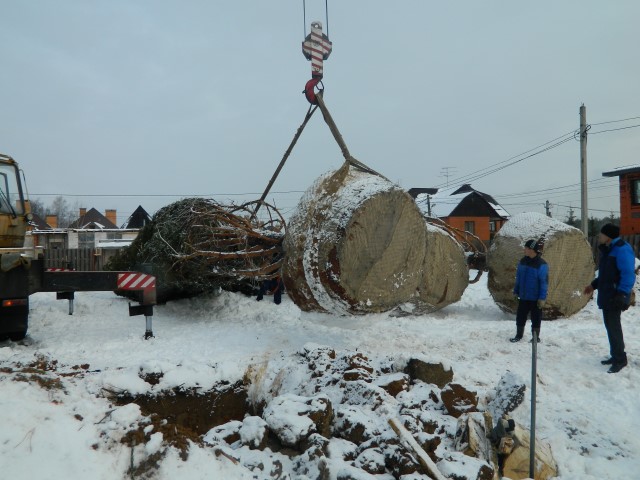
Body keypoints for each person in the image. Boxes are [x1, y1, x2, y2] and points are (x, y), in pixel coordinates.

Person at [583, 223, 635, 373]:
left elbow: (628, 274)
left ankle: (620, 359)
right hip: (607, 294)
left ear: (608, 236)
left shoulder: (622, 249)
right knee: (610, 326)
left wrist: (622, 294)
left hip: (616, 295)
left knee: (614, 327)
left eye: (602, 234)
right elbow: (606, 274)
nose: (599, 236)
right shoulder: (609, 249)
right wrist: (593, 285)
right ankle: (615, 355)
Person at [510, 239, 548, 343]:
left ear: (532, 250)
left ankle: (535, 337)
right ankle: (518, 335)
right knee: (520, 317)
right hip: (523, 296)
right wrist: (516, 291)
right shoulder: (522, 261)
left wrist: (542, 298)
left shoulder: (541, 264)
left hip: (535, 298)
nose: (524, 250)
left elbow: (544, 282)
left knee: (536, 318)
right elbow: (518, 278)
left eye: (526, 248)